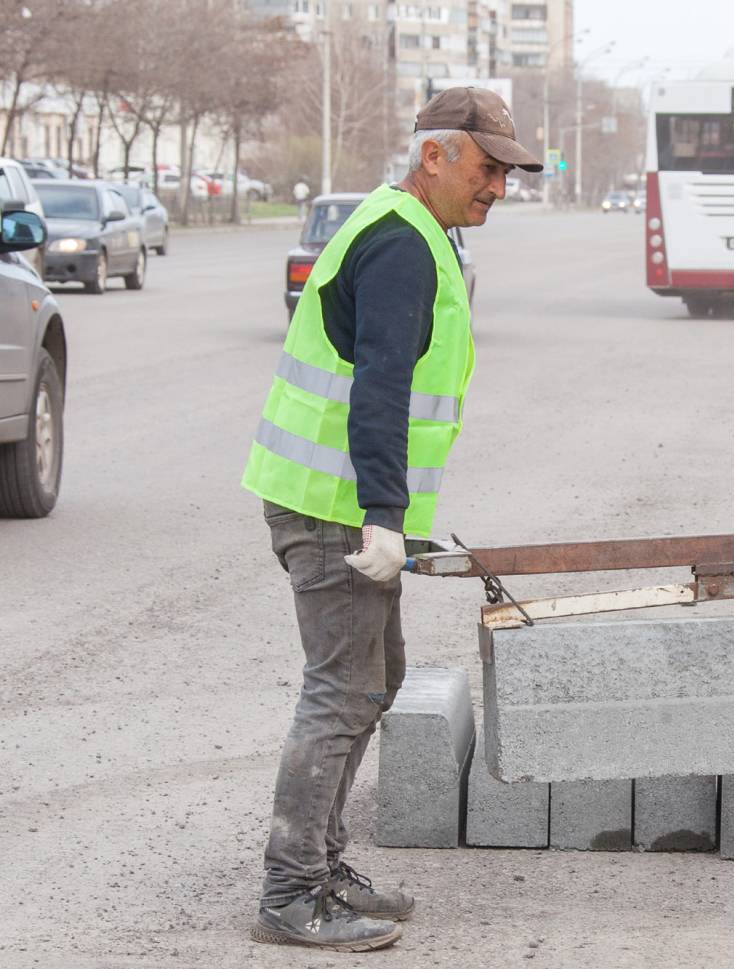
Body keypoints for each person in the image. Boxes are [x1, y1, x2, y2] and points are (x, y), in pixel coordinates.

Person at [240, 87, 542, 951]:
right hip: (335, 507)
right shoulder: (402, 243)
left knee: (376, 679)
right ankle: (290, 891)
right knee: (341, 691)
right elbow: (381, 385)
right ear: (436, 155)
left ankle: (323, 866)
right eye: (488, 170)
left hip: (344, 503)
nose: (498, 189)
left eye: (507, 175)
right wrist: (381, 516)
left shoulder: (418, 231)